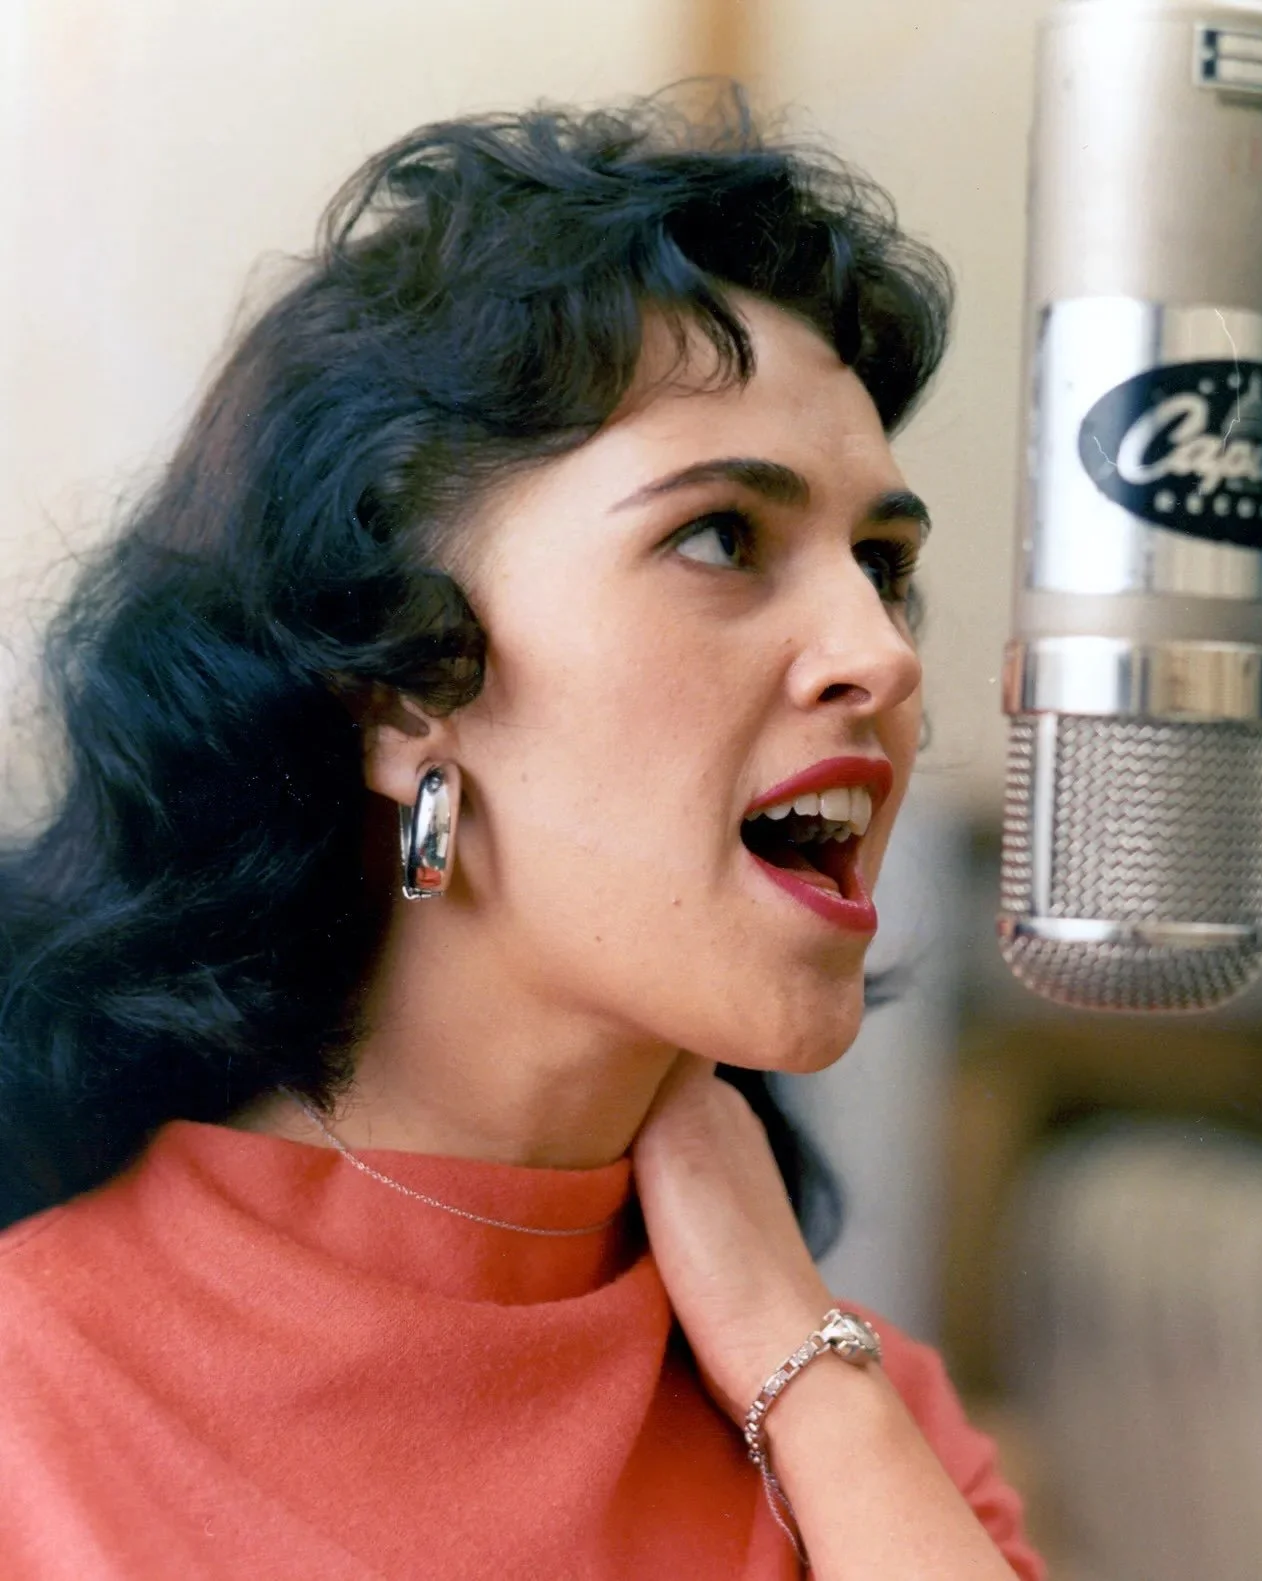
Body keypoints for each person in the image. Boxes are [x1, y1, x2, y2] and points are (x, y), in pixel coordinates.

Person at [0, 95, 1044, 1579]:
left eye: (882, 565)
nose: (878, 653)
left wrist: (790, 1357)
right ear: (401, 682)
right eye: (722, 537)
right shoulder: (36, 1406)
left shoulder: (868, 1428)